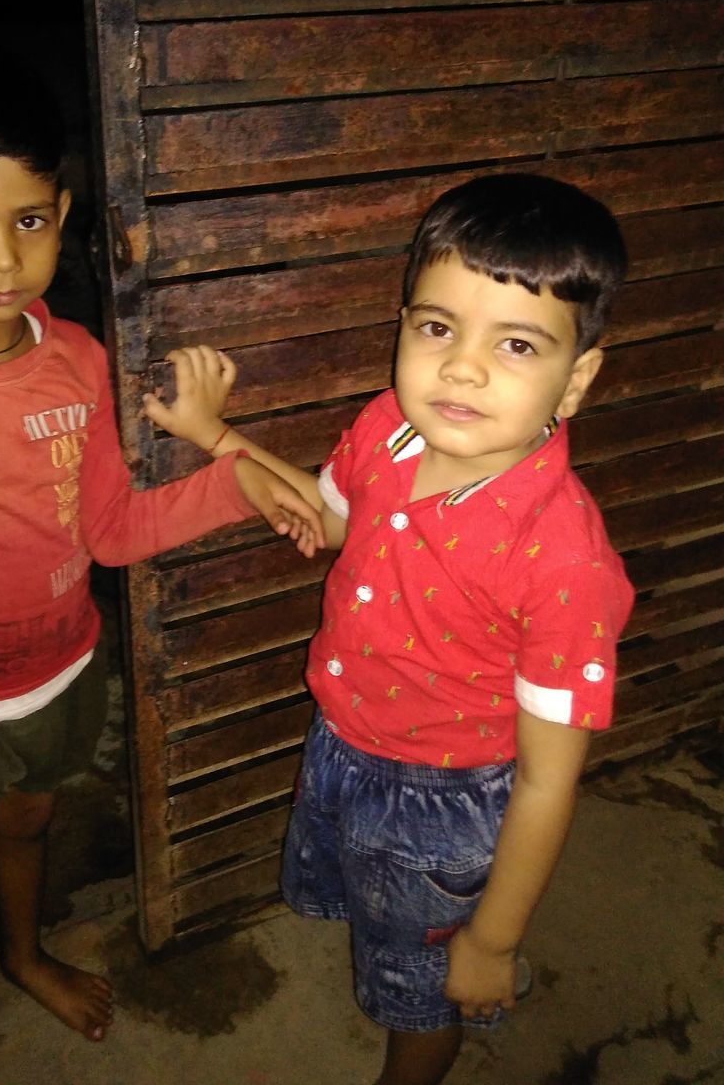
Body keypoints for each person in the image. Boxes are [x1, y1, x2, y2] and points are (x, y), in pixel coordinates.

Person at [0, 41, 322, 1085]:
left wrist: (233, 485)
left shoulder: (79, 359)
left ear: (64, 210)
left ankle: (27, 948)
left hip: (63, 673)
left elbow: (110, 531)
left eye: (29, 220)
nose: (2, 260)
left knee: (30, 837)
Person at [144, 173, 635, 1085]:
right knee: (379, 930)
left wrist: (494, 938)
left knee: (427, 987)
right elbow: (327, 521)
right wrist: (217, 437)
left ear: (578, 380)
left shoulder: (562, 562)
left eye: (517, 343)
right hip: (340, 743)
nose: (461, 367)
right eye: (436, 327)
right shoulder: (385, 428)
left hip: (445, 805)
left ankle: (454, 1000)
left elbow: (542, 782)